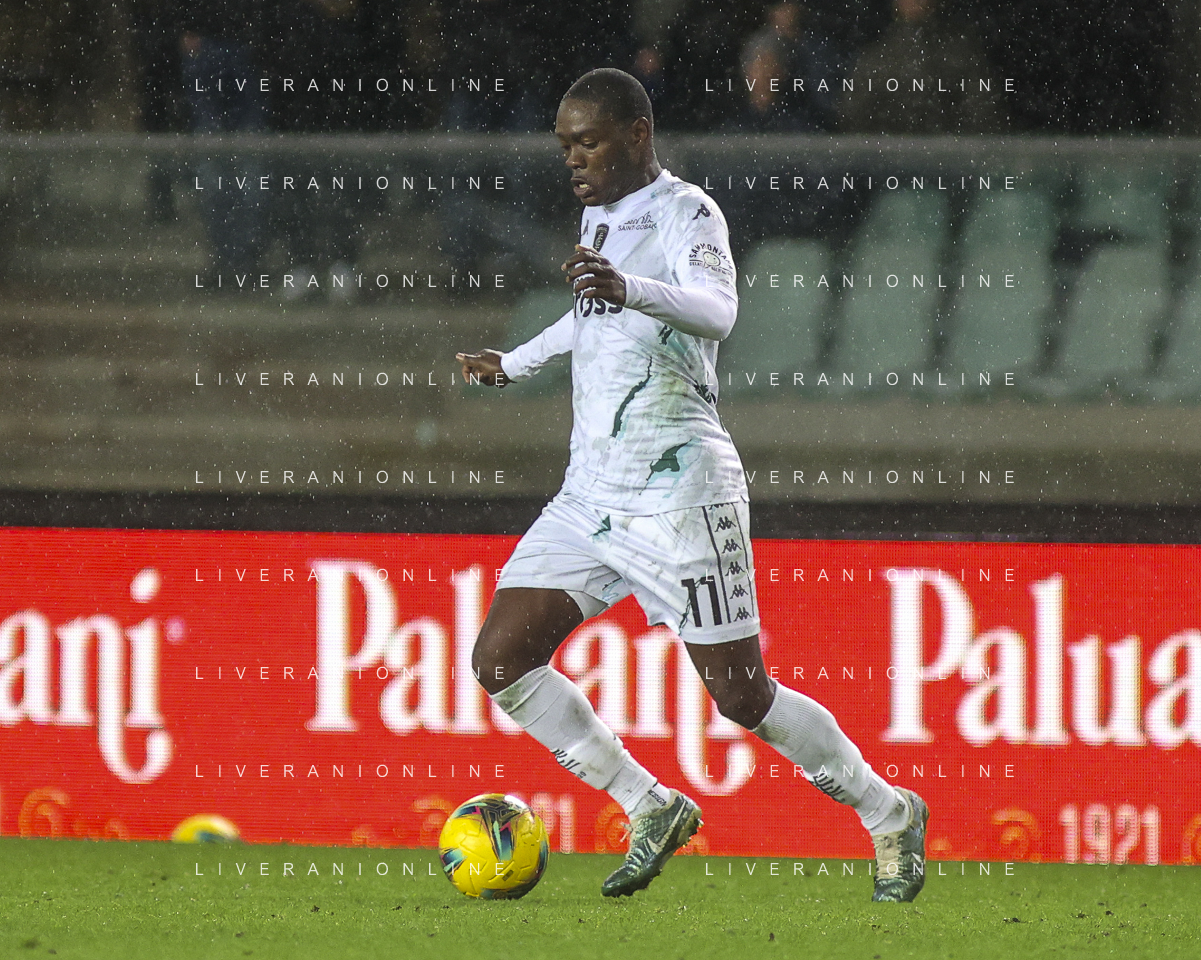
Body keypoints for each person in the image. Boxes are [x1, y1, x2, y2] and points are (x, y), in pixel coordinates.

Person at [455, 67, 928, 901]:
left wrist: (629, 286)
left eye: (587, 142)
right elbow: (591, 315)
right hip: (590, 496)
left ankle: (888, 812)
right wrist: (515, 362)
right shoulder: (599, 215)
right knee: (500, 659)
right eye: (564, 146)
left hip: (680, 493)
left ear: (637, 134)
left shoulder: (688, 212)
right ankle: (650, 804)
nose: (573, 159)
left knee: (742, 697)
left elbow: (717, 310)